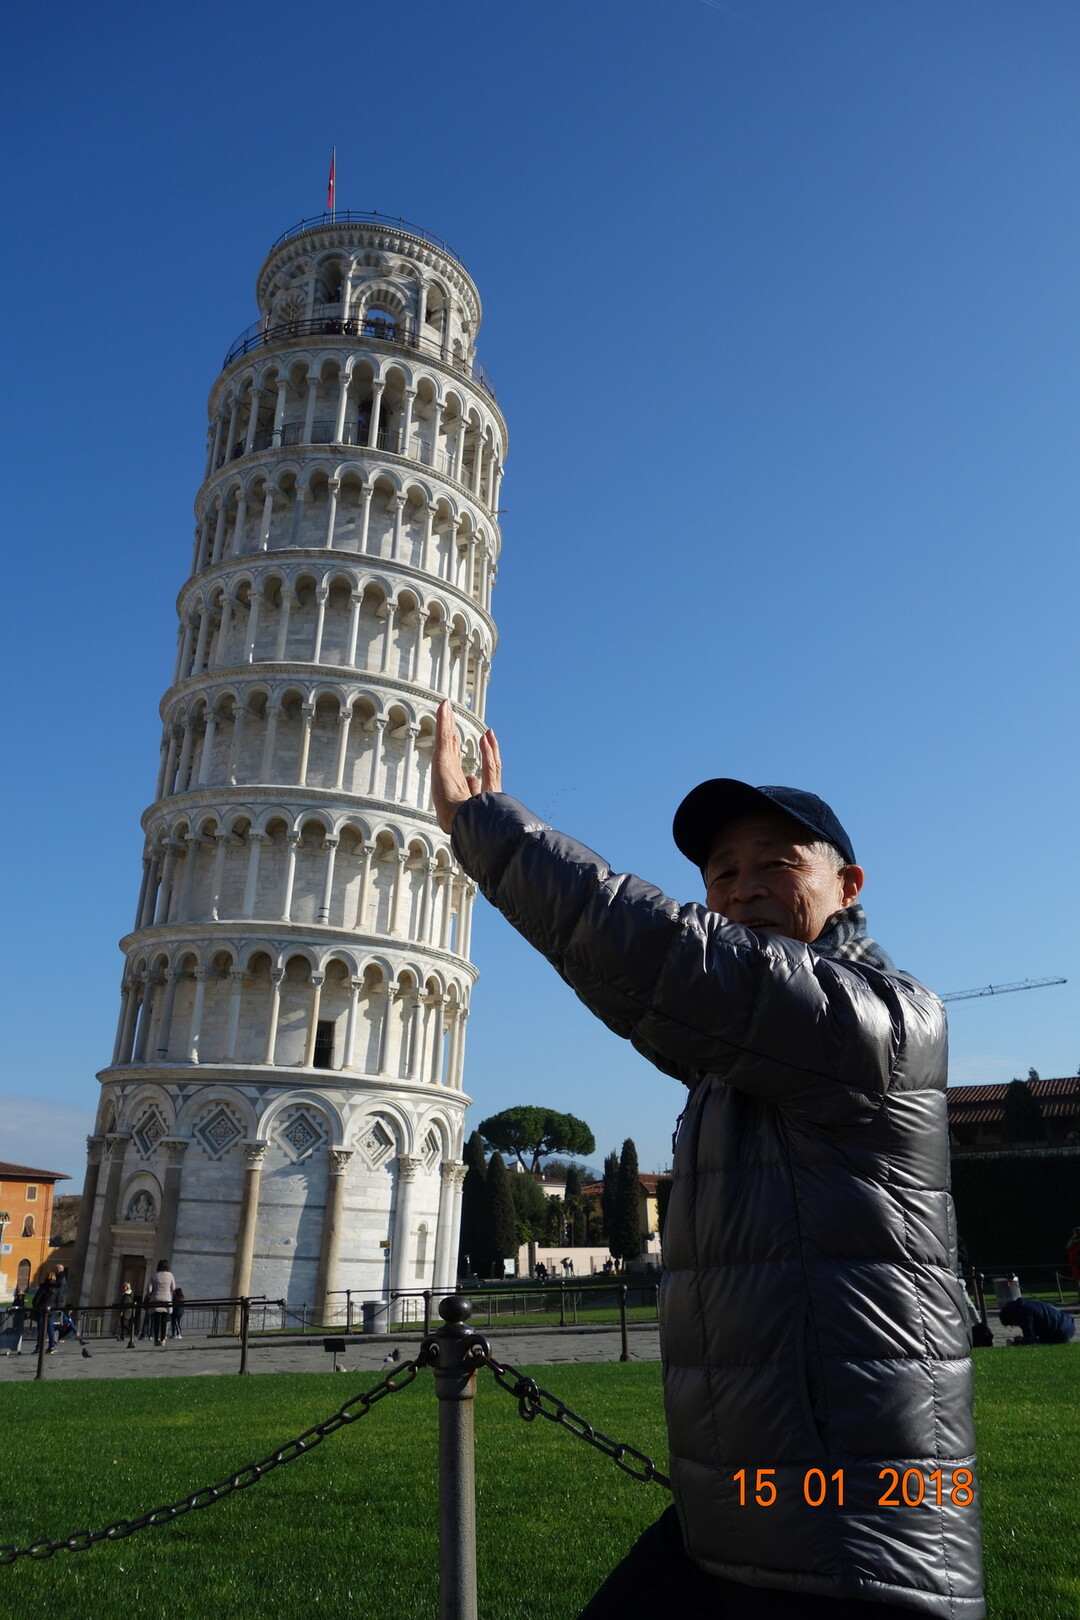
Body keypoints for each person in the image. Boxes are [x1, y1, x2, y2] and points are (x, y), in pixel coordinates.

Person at [432, 702, 984, 1618]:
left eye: (776, 862)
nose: (742, 885)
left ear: (847, 883)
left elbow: (662, 958)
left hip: (860, 1529)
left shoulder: (873, 1020)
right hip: (741, 1514)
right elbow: (636, 979)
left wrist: (484, 831)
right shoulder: (739, 1062)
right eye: (721, 872)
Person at [999, 1296, 1076, 1345]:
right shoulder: (1023, 1304)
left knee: (1037, 1343)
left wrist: (1018, 1343)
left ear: (1012, 1318)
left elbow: (1029, 1339)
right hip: (1069, 1324)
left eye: (1012, 1324)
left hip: (1060, 1332)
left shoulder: (1024, 1314)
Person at [145, 1259, 177, 1347]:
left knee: (155, 1322)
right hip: (166, 1301)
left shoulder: (154, 1276)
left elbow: (149, 1289)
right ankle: (162, 1339)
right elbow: (173, 1288)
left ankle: (156, 1339)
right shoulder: (170, 1276)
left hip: (155, 1300)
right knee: (164, 1321)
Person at [32, 1271, 60, 1354]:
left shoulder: (43, 1288)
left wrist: (36, 1306)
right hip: (52, 1310)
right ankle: (51, 1346)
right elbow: (58, 1301)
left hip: (42, 1310)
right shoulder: (57, 1289)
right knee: (50, 1328)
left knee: (41, 1330)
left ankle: (39, 1347)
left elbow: (36, 1300)